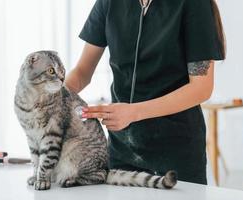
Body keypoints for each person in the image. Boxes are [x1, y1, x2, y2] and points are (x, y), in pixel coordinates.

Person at [65, 0, 226, 184]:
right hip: (121, 153)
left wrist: (133, 112)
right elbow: (82, 72)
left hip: (177, 153)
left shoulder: (194, 4)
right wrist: (50, 98)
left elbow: (201, 88)